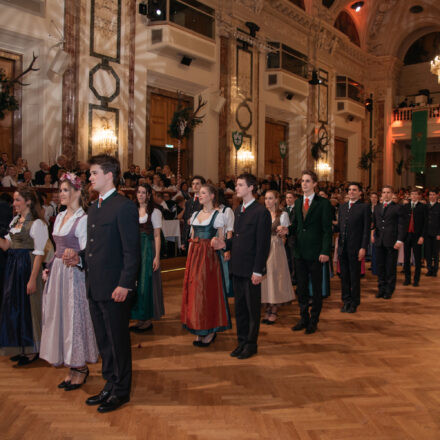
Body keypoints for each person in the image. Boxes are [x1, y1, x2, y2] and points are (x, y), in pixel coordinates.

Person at [64, 154, 140, 413]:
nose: (90, 178)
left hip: (116, 288)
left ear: (109, 175)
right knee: (104, 341)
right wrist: (79, 258)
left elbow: (131, 252)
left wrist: (125, 284)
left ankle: (121, 391)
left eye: (94, 173)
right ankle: (110, 383)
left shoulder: (124, 206)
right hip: (95, 284)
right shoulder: (95, 207)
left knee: (118, 341)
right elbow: (96, 248)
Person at [40, 173, 98, 390]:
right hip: (58, 273)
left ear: (76, 192)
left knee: (74, 317)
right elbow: (55, 249)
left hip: (74, 274)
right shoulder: (61, 216)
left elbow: (87, 251)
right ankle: (70, 365)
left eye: (65, 190)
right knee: (61, 317)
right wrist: (49, 268)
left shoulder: (83, 219)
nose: (60, 194)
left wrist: (76, 256)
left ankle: (80, 366)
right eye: (60, 190)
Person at [212, 173, 271, 359]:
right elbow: (237, 239)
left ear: (251, 187)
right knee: (239, 309)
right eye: (236, 185)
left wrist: (257, 270)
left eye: (240, 185)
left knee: (252, 310)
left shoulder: (261, 212)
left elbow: (262, 245)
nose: (236, 188)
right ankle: (241, 341)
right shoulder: (238, 210)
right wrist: (224, 245)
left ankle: (251, 344)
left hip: (251, 269)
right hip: (237, 267)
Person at [0, 187, 48, 366]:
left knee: (30, 309)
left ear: (28, 201)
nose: (14, 204)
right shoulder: (15, 221)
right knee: (16, 307)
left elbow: (39, 254)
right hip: (14, 268)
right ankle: (21, 346)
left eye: (17, 200)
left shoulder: (37, 224)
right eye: (14, 200)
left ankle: (33, 349)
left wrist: (32, 279)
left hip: (28, 267)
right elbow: (6, 246)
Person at [181, 184, 231, 346]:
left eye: (203, 193)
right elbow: (192, 238)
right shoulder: (195, 214)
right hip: (195, 257)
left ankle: (210, 329)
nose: (199, 195)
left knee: (207, 293)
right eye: (199, 193)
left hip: (209, 258)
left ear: (211, 196)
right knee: (195, 292)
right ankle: (198, 327)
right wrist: (188, 261)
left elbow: (222, 240)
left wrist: (223, 251)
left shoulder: (218, 215)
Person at [290, 170, 332, 334]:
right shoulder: (299, 202)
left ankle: (314, 320)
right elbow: (298, 225)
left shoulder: (323, 203)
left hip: (316, 253)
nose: (304, 184)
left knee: (315, 289)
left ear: (315, 184)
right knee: (301, 288)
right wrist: (287, 230)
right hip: (300, 251)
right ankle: (303, 318)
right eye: (302, 181)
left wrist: (325, 251)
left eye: (308, 181)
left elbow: (327, 230)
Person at [130, 183, 164, 333]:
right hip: (134, 248)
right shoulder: (132, 210)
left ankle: (147, 319)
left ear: (149, 195)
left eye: (143, 192)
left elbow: (157, 236)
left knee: (145, 283)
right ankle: (139, 318)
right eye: (138, 192)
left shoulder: (154, 212)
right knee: (135, 283)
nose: (140, 195)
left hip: (147, 249)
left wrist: (156, 256)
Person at [261, 190, 294, 325]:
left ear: (276, 200)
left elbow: (285, 236)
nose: (267, 201)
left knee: (276, 278)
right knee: (265, 278)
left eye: (270, 198)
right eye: (266, 198)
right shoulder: (262, 214)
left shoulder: (283, 214)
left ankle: (274, 309)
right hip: (263, 247)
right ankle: (268, 306)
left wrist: (282, 233)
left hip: (276, 247)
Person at [337, 183, 370, 313]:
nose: (351, 192)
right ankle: (345, 301)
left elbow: (366, 230)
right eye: (349, 190)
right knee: (344, 276)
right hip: (343, 247)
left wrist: (363, 247)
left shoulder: (364, 207)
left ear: (360, 193)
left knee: (354, 277)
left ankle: (354, 302)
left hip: (356, 248)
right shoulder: (343, 207)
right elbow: (340, 227)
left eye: (354, 190)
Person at [371, 185, 406, 299]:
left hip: (392, 242)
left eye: (388, 192)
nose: (386, 194)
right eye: (384, 192)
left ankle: (389, 290)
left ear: (392, 194)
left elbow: (402, 225)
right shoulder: (377, 207)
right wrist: (373, 235)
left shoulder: (398, 207)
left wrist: (400, 240)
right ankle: (381, 288)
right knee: (380, 267)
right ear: (381, 194)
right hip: (379, 241)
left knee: (390, 267)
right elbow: (375, 224)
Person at [402, 188, 427, 287]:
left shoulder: (423, 207)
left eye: (416, 194)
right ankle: (407, 279)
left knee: (417, 259)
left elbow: (425, 223)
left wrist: (422, 236)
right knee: (406, 259)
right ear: (410, 196)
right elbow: (402, 222)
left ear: (419, 196)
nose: (414, 196)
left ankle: (416, 280)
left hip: (417, 236)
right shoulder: (406, 206)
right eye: (412, 194)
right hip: (407, 235)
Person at [181, 176, 205, 251]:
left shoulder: (205, 201)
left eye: (197, 184)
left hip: (200, 236)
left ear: (203, 186)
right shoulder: (188, 202)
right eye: (193, 184)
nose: (194, 186)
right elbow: (185, 222)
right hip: (189, 235)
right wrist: (183, 240)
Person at [425, 189, 440, 277]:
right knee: (428, 253)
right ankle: (429, 269)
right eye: (430, 195)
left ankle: (435, 270)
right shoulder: (425, 206)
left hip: (436, 234)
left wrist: (439, 233)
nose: (432, 196)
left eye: (433, 195)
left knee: (435, 253)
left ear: (436, 196)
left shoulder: (439, 206)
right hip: (427, 233)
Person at [284, 191, 296, 284]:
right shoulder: (283, 210)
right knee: (286, 258)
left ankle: (294, 277)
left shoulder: (297, 209)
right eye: (287, 198)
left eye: (290, 197)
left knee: (293, 258)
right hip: (284, 237)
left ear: (294, 198)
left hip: (293, 237)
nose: (288, 199)